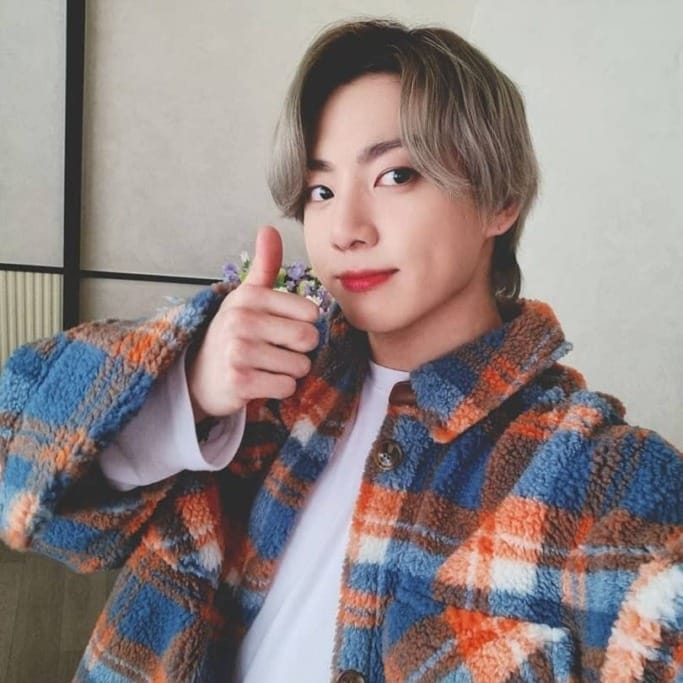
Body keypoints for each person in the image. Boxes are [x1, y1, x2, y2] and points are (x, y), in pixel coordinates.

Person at [0, 18, 681, 683]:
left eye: (396, 175)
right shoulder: (263, 395)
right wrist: (191, 389)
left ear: (499, 200)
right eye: (320, 190)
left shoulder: (597, 476)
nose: (345, 230)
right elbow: (25, 471)